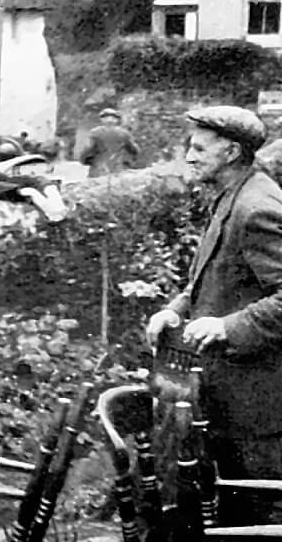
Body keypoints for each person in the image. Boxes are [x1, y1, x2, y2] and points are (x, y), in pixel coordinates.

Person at [145, 105, 282, 524]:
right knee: (227, 510)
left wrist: (227, 326)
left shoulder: (258, 207)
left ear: (232, 152)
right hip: (229, 394)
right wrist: (175, 310)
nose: (189, 157)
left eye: (199, 149)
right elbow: (217, 275)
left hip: (259, 405)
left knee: (258, 513)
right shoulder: (231, 195)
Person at [79, 108, 140, 177]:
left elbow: (87, 149)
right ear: (116, 120)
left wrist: (84, 160)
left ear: (102, 119)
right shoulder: (124, 133)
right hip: (118, 170)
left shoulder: (95, 133)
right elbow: (135, 150)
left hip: (99, 170)